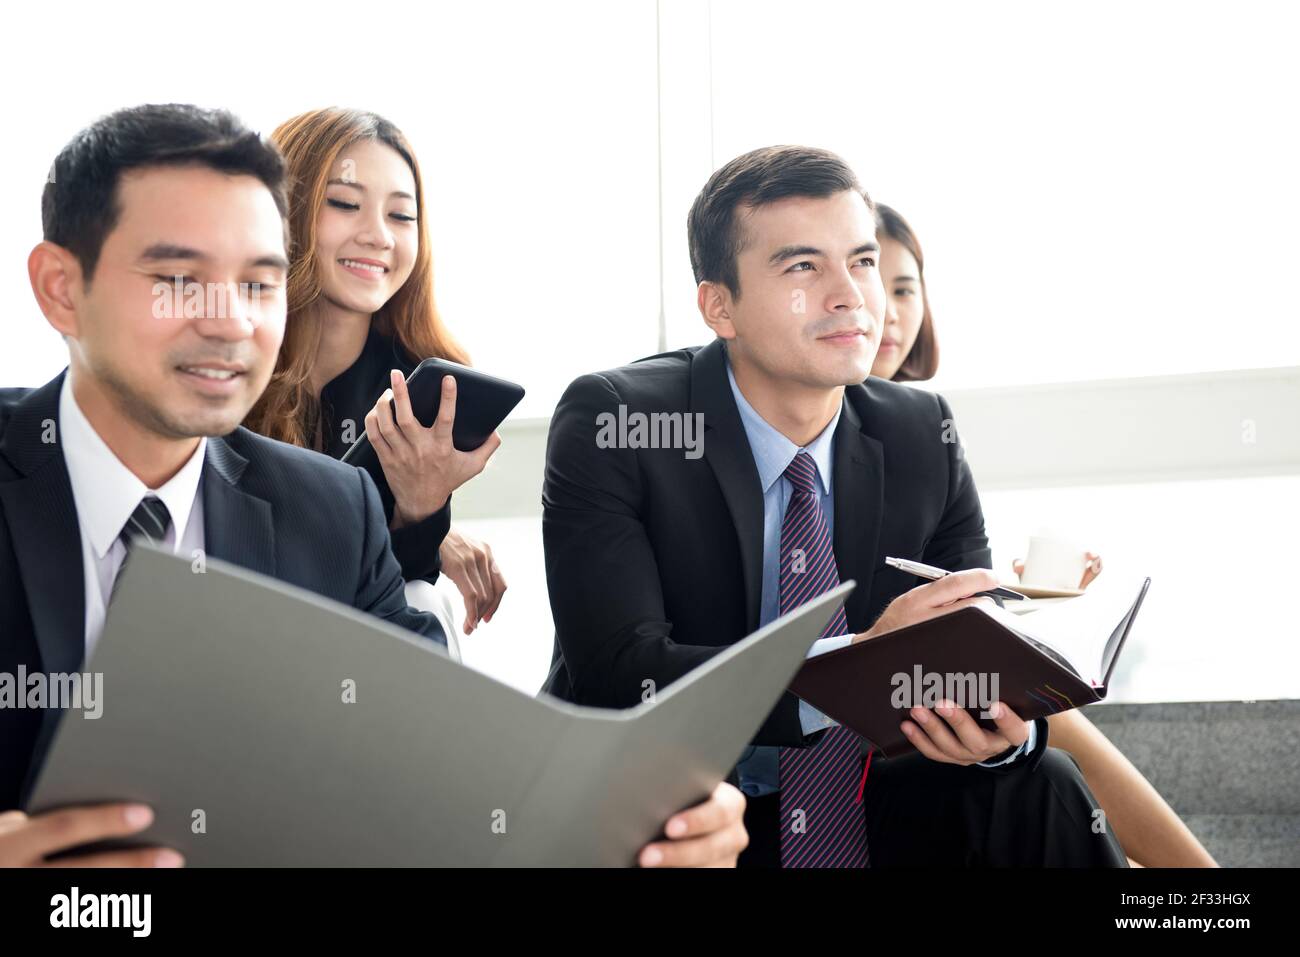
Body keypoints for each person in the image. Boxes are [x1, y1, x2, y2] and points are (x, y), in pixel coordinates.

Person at [0, 103, 745, 868]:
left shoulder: (332, 508)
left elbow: (448, 769)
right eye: (179, 280)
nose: (230, 323)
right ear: (61, 288)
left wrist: (637, 818)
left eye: (258, 283)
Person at [541, 145, 1128, 867]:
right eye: (803, 267)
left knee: (1041, 782)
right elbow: (622, 673)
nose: (850, 295)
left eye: (861, 261)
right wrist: (858, 664)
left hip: (866, 799)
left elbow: (974, 643)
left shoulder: (921, 433)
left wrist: (1001, 733)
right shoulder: (620, 422)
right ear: (720, 306)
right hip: (688, 814)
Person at [868, 201, 1216, 867]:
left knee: (1041, 734)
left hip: (937, 700)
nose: (884, 311)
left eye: (904, 289)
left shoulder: (922, 435)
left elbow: (949, 601)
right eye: (869, 282)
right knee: (1049, 748)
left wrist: (1030, 599)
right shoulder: (818, 437)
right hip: (876, 723)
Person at [243, 109, 505, 636]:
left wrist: (423, 514)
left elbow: (381, 592)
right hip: (231, 622)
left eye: (401, 216)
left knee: (423, 600)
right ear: (280, 210)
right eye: (344, 204)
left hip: (343, 645)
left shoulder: (418, 388)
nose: (379, 236)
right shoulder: (223, 358)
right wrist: (435, 537)